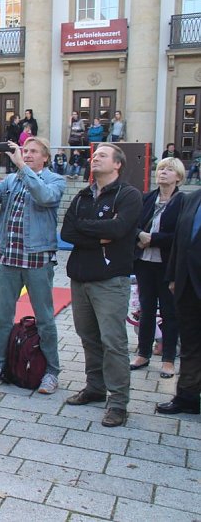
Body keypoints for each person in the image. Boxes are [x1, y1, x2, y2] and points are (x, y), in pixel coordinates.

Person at [0, 138, 66, 393]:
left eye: (33, 151)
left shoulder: (54, 180)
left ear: (45, 157)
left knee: (45, 318)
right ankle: (1, 365)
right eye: (24, 151)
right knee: (3, 317)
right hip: (8, 258)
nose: (26, 155)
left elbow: (44, 197)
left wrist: (22, 168)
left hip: (37, 259)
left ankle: (51, 372)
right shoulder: (11, 180)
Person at [61, 143, 143, 427]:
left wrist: (88, 229)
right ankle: (95, 388)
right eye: (94, 156)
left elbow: (120, 230)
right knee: (89, 338)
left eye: (102, 156)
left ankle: (118, 402)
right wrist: (98, 236)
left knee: (114, 342)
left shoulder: (129, 195)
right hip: (80, 277)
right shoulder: (83, 195)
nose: (94, 158)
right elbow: (67, 231)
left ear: (117, 164)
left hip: (110, 280)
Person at [131, 158, 185, 379]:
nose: (163, 172)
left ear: (178, 177)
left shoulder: (183, 202)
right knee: (146, 310)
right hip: (144, 263)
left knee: (170, 313)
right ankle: (143, 353)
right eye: (161, 168)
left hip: (168, 266)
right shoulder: (147, 198)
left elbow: (181, 236)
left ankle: (168, 359)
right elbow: (130, 224)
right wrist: (139, 235)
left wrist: (153, 238)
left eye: (169, 170)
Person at [156, 181, 201, 415]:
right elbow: (180, 243)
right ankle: (187, 396)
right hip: (188, 285)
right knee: (191, 344)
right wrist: (173, 276)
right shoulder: (191, 199)